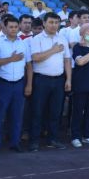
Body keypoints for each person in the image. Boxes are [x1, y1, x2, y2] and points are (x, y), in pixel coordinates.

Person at [0, 16, 32, 153]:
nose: (14, 29)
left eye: (15, 27)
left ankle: (15, 142)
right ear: (4, 27)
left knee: (17, 115)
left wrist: (29, 84)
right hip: (2, 83)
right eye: (11, 27)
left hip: (19, 83)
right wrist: (11, 59)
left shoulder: (22, 43)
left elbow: (29, 65)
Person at [29, 12, 72, 152]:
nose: (54, 25)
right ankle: (34, 141)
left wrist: (69, 79)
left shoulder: (62, 38)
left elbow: (67, 60)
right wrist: (53, 50)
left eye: (56, 23)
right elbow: (35, 58)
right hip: (41, 79)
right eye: (51, 22)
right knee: (37, 111)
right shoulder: (37, 39)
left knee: (56, 112)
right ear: (44, 23)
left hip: (59, 79)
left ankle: (53, 139)